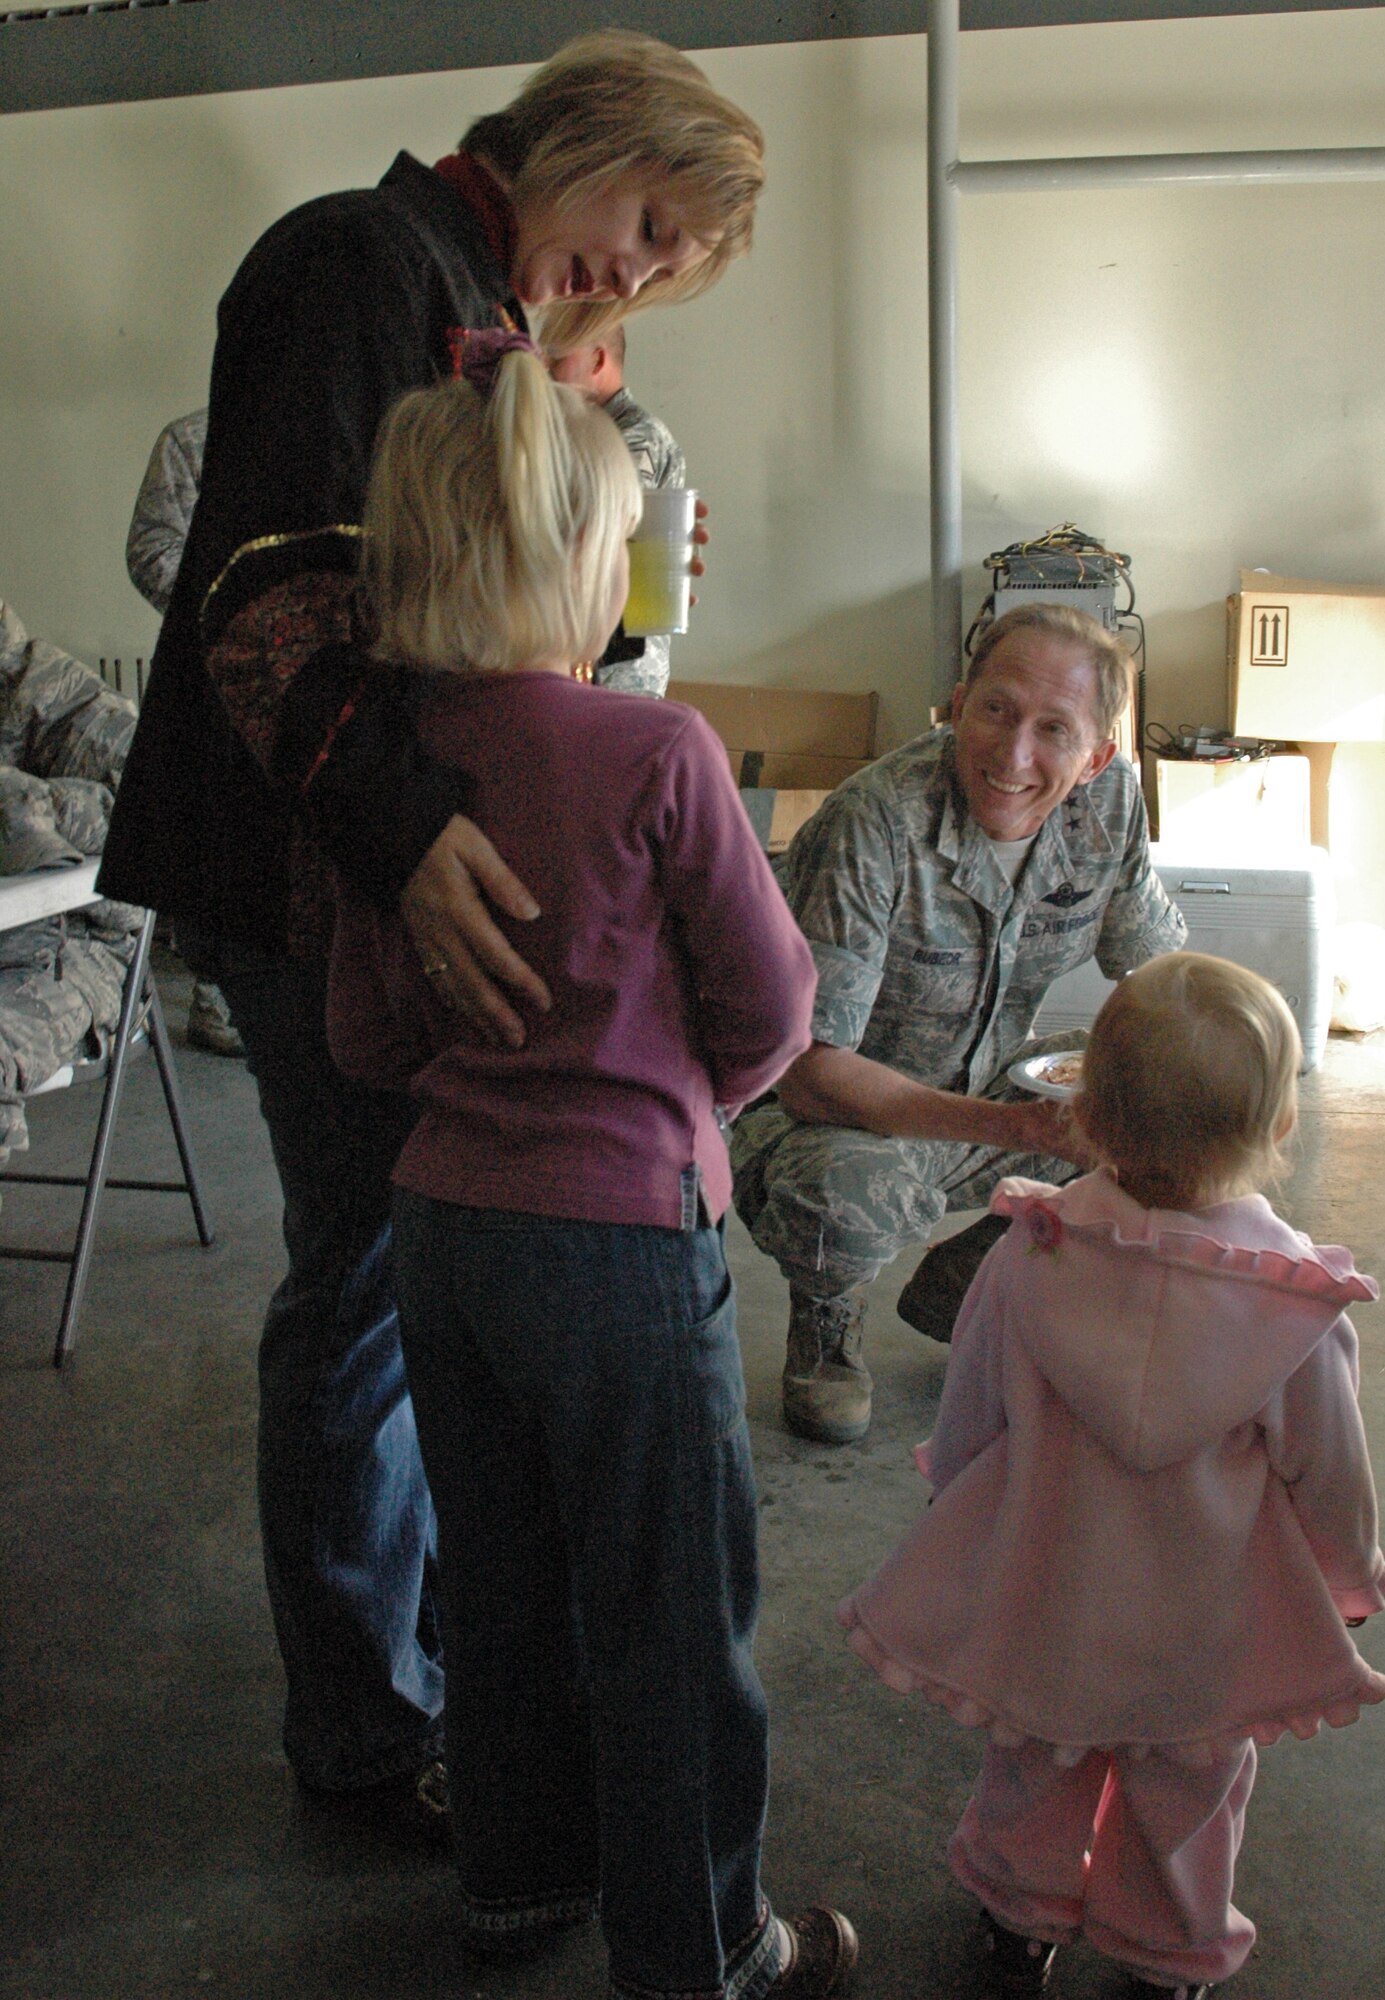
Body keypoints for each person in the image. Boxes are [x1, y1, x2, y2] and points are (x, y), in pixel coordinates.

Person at [97, 31, 765, 1830]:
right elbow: (268, 595)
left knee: (394, 1286)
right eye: (647, 221)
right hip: (317, 869)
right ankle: (369, 1729)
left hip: (367, 867)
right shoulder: (361, 261)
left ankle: (423, 1685)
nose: (637, 273)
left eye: (672, 266)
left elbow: (443, 612)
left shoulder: (468, 300)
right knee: (370, 1298)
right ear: (578, 136)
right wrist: (409, 838)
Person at [325, 334, 853, 1997]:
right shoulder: (657, 756)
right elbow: (771, 1007)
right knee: (668, 1614)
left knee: (494, 1581)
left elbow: (363, 1036)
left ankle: (511, 1885)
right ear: (572, 557)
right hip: (620, 1246)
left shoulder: (388, 778)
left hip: (444, 1233)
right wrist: (681, 1096)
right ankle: (698, 1943)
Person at [838, 951, 1385, 1999]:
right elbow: (1328, 1466)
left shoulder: (1030, 1250)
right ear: (1278, 1129)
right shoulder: (1291, 1307)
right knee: (1190, 1784)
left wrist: (956, 1496)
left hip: (1048, 1581)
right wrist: (1346, 1573)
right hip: (1206, 1614)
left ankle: (1018, 1910)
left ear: (1084, 1111)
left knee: (1034, 1755)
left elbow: (976, 1406)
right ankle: (1168, 1948)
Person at [731, 603, 1187, 1446]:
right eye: (996, 710)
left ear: (1098, 756)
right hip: (833, 1116)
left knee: (1191, 1109)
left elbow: (1156, 974)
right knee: (844, 1195)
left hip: (994, 1080)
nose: (1012, 755)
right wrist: (1026, 1129)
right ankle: (827, 1334)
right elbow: (809, 1068)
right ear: (956, 703)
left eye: (1054, 729)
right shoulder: (874, 821)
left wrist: (1181, 1076)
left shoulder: (1112, 804)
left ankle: (979, 1282)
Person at [123, 407, 245, 1058]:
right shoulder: (192, 440)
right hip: (213, 677)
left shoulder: (341, 423)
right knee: (219, 834)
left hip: (313, 677)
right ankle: (216, 1003)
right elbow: (150, 549)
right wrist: (232, 610)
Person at [547, 320, 687, 696]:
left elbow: (598, 528)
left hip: (621, 676)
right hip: (593, 661)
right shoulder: (587, 435)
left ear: (597, 359)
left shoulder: (637, 436)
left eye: (556, 358)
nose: (545, 369)